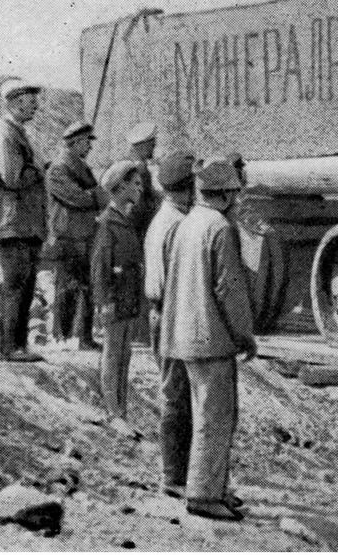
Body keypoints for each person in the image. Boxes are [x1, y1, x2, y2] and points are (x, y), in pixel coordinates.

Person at [159, 157, 256, 521]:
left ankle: (210, 487)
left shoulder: (186, 223)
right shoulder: (220, 228)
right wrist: (244, 335)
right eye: (235, 193)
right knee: (215, 417)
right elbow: (229, 289)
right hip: (211, 339)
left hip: (182, 335)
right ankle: (203, 495)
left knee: (200, 414)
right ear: (227, 194)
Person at [144, 151, 196, 499]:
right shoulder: (176, 224)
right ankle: (174, 477)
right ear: (188, 187)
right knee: (177, 398)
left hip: (165, 313)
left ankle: (180, 474)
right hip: (172, 314)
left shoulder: (165, 218)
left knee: (178, 396)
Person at [0, 78, 47, 363]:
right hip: (12, 223)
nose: (36, 105)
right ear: (14, 102)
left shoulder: (16, 131)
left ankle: (18, 345)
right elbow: (13, 178)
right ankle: (10, 348)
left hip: (23, 223)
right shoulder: (5, 134)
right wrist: (40, 169)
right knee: (16, 286)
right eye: (30, 100)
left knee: (25, 284)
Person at [91, 161, 145, 421]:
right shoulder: (107, 223)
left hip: (128, 298)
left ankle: (120, 412)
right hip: (115, 300)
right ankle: (112, 412)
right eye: (135, 184)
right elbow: (100, 268)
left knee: (124, 355)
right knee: (113, 355)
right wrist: (105, 302)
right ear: (121, 187)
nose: (140, 189)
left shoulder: (124, 221)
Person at [46, 121, 106, 351]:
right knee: (68, 286)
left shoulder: (79, 166)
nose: (90, 146)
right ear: (76, 142)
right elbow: (79, 198)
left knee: (86, 285)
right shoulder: (59, 168)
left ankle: (83, 337)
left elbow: (91, 194)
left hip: (84, 234)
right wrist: (96, 196)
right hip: (67, 236)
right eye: (87, 141)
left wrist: (94, 195)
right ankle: (62, 336)